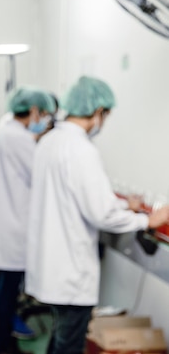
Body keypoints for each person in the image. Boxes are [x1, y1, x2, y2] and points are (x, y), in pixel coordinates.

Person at [25, 75, 169, 354]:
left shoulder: (49, 141)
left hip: (51, 266)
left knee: (61, 338)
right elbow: (101, 213)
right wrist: (147, 220)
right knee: (69, 344)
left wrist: (125, 206)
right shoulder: (81, 149)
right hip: (69, 272)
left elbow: (74, 197)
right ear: (98, 111)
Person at [0, 86, 56, 354]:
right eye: (44, 114)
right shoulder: (19, 138)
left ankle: (3, 343)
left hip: (7, 222)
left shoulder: (6, 131)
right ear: (34, 111)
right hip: (15, 226)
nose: (44, 120)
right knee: (7, 293)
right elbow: (42, 175)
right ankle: (3, 346)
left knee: (5, 291)